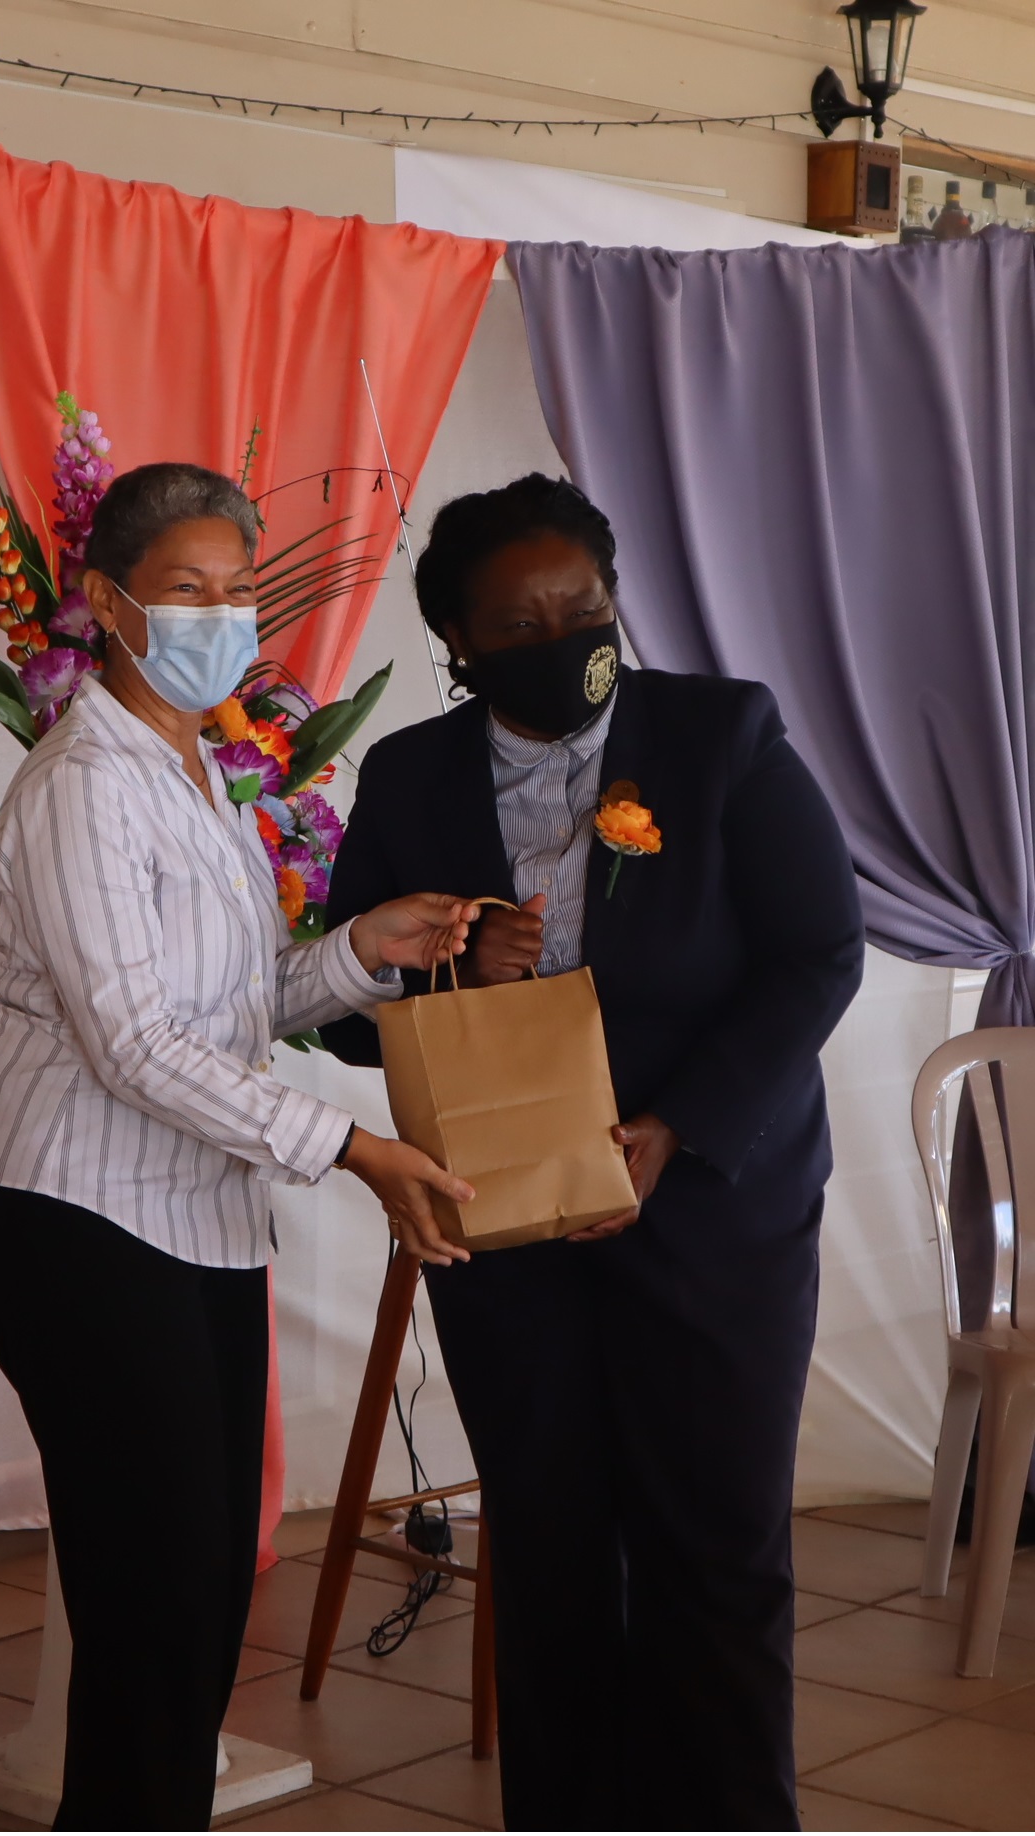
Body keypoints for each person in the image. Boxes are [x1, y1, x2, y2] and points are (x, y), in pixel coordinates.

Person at [321, 473, 865, 1831]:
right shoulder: (410, 775)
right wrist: (450, 964)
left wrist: (675, 1129)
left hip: (714, 1216)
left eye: (585, 607)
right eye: (521, 624)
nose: (562, 637)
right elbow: (343, 1013)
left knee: (715, 1554)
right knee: (551, 1552)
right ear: (459, 642)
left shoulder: (722, 735)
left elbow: (817, 955)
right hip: (509, 1230)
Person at [0, 462, 477, 1831]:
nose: (221, 618)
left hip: (195, 1215)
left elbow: (228, 1009)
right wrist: (354, 1149)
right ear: (109, 601)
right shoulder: (83, 784)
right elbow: (131, 1041)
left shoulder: (198, 774)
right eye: (186, 591)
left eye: (237, 592)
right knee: (149, 1596)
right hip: (75, 1215)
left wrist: (361, 951)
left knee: (194, 1589)